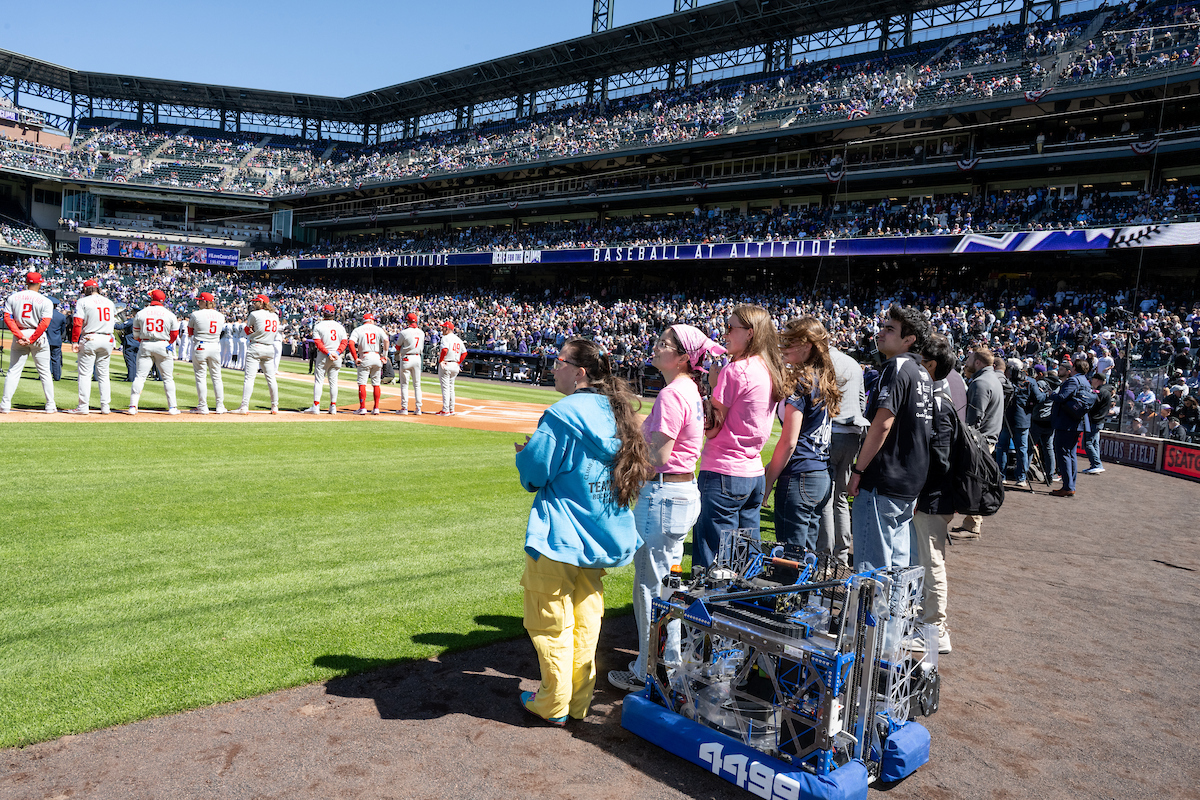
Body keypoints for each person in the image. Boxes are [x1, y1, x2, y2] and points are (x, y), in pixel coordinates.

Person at [514, 337, 649, 726]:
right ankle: (577, 701)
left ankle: (552, 704)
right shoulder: (617, 411)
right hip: (598, 536)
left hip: (561, 536)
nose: (553, 368)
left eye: (559, 362)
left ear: (580, 372)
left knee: (549, 622)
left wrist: (524, 455)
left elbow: (535, 474)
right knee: (586, 622)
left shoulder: (562, 414)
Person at [606, 324, 716, 694]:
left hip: (664, 496)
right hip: (679, 493)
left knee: (650, 588)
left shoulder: (672, 393)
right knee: (666, 587)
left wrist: (625, 461)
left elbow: (659, 456)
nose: (656, 346)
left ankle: (648, 671)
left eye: (664, 343)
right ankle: (665, 663)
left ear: (683, 357)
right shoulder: (688, 389)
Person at [692, 304, 786, 572]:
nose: (725, 334)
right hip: (752, 475)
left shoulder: (736, 371)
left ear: (750, 333)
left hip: (724, 472)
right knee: (746, 565)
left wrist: (712, 387)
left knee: (713, 567)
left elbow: (712, 428)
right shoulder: (768, 368)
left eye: (731, 328)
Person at [847, 305, 933, 572]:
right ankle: (892, 604)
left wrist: (858, 470)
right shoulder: (922, 372)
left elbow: (882, 424)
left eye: (890, 329)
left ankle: (873, 603)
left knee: (871, 570)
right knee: (897, 568)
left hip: (884, 480)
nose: (881, 333)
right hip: (909, 481)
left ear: (909, 340)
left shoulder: (897, 366)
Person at [763, 317, 841, 551]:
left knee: (790, 558)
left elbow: (789, 442)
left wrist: (768, 482)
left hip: (800, 475)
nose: (783, 347)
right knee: (806, 557)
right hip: (820, 474)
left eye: (790, 342)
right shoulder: (823, 379)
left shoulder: (802, 381)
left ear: (807, 345)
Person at [912, 333, 957, 655]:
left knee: (931, 563)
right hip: (933, 495)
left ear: (930, 365)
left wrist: (916, 488)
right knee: (926, 561)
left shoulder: (939, 402)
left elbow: (940, 460)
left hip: (934, 496)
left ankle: (935, 630)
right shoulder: (938, 397)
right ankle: (928, 621)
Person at [818, 343, 868, 565]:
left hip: (832, 432)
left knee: (826, 498)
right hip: (852, 433)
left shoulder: (823, 361)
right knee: (840, 497)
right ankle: (841, 555)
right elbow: (861, 402)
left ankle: (825, 556)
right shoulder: (853, 363)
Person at [952, 348, 1005, 541]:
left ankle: (972, 525)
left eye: (969, 360)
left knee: (974, 482)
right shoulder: (993, 379)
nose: (965, 364)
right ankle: (971, 523)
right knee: (977, 480)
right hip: (988, 438)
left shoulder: (981, 383)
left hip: (980, 440)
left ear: (978, 363)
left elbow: (974, 420)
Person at [1, 271, 57, 414]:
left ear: (26, 282)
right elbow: (44, 323)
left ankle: (5, 405)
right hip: (37, 335)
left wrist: (20, 336)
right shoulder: (45, 300)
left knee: (13, 371)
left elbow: (8, 318)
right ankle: (50, 405)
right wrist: (32, 338)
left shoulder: (13, 297)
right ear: (40, 283)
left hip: (20, 334)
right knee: (45, 372)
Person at [1049, 358, 1096, 498]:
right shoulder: (1085, 381)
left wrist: (1051, 394)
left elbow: (1061, 397)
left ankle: (1068, 486)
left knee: (1063, 453)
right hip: (1077, 422)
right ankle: (1070, 485)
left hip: (1067, 423)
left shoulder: (1073, 381)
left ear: (1074, 368)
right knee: (1071, 454)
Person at [69, 278, 116, 415]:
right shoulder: (109, 302)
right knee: (104, 374)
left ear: (85, 289)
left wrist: (75, 341)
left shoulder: (83, 301)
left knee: (85, 374)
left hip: (90, 336)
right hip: (107, 338)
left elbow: (78, 322)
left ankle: (83, 406)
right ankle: (105, 406)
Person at [128, 289, 180, 415]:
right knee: (168, 378)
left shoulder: (141, 313)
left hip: (146, 343)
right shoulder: (169, 314)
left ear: (152, 299)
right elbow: (174, 334)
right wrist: (167, 343)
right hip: (163, 343)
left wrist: (144, 340)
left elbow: (136, 335)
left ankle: (133, 406)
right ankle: (172, 407)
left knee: (140, 377)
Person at [996, 358, 1045, 491]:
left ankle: (1001, 476)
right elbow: (1039, 398)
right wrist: (1044, 394)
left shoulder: (1005, 381)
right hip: (1022, 420)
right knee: (1022, 449)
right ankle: (1021, 478)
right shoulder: (1030, 382)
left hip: (1006, 418)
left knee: (1002, 448)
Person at [235, 294, 280, 415]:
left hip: (256, 346)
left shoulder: (254, 314)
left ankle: (244, 406)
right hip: (269, 347)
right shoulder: (275, 315)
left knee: (249, 378)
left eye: (256, 302)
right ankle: (275, 406)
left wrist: (253, 330)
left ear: (261, 303)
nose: (254, 303)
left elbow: (247, 330)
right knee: (271, 378)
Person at [187, 292, 227, 414]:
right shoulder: (220, 316)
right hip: (215, 346)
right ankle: (220, 406)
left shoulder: (196, 314)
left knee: (201, 377)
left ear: (205, 302)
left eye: (200, 300)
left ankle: (203, 406)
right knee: (217, 377)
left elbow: (190, 332)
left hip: (201, 345)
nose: (198, 302)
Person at [304, 305, 348, 414]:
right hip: (336, 356)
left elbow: (318, 343)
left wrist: (328, 353)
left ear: (323, 313)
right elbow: (344, 342)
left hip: (324, 355)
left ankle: (316, 406)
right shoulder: (340, 326)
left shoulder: (319, 325)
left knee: (319, 381)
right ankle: (333, 406)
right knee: (334, 382)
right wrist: (337, 353)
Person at [348, 313, 388, 415]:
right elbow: (386, 340)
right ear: (371, 320)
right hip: (376, 356)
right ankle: (376, 408)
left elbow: (351, 343)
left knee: (362, 383)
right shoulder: (378, 329)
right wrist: (385, 355)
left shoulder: (358, 329)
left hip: (365, 356)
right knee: (376, 384)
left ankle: (362, 408)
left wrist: (355, 358)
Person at [1081, 371, 1113, 474]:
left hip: (1094, 421)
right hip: (1099, 421)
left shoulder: (1100, 391)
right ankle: (1095, 465)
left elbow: (1092, 403)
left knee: (1088, 443)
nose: (1091, 381)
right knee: (1094, 444)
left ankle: (1097, 464)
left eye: (1093, 379)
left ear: (1098, 380)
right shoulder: (1106, 391)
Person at [436, 321, 467, 416]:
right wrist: (458, 363)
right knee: (451, 388)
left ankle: (445, 410)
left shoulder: (445, 338)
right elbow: (464, 353)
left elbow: (444, 350)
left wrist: (441, 360)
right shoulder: (458, 339)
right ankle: (451, 409)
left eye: (443, 328)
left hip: (447, 363)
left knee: (445, 388)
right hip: (455, 364)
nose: (442, 329)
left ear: (447, 329)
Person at [397, 312, 425, 414]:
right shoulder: (421, 332)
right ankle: (418, 408)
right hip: (417, 357)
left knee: (404, 384)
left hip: (407, 357)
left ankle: (404, 408)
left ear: (408, 321)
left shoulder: (404, 332)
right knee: (417, 385)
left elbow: (397, 346)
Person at [46, 305, 69, 381]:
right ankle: (57, 376)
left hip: (46, 338)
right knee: (56, 358)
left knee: (46, 358)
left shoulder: (45, 314)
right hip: (56, 339)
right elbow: (63, 329)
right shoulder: (61, 316)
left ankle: (46, 375)